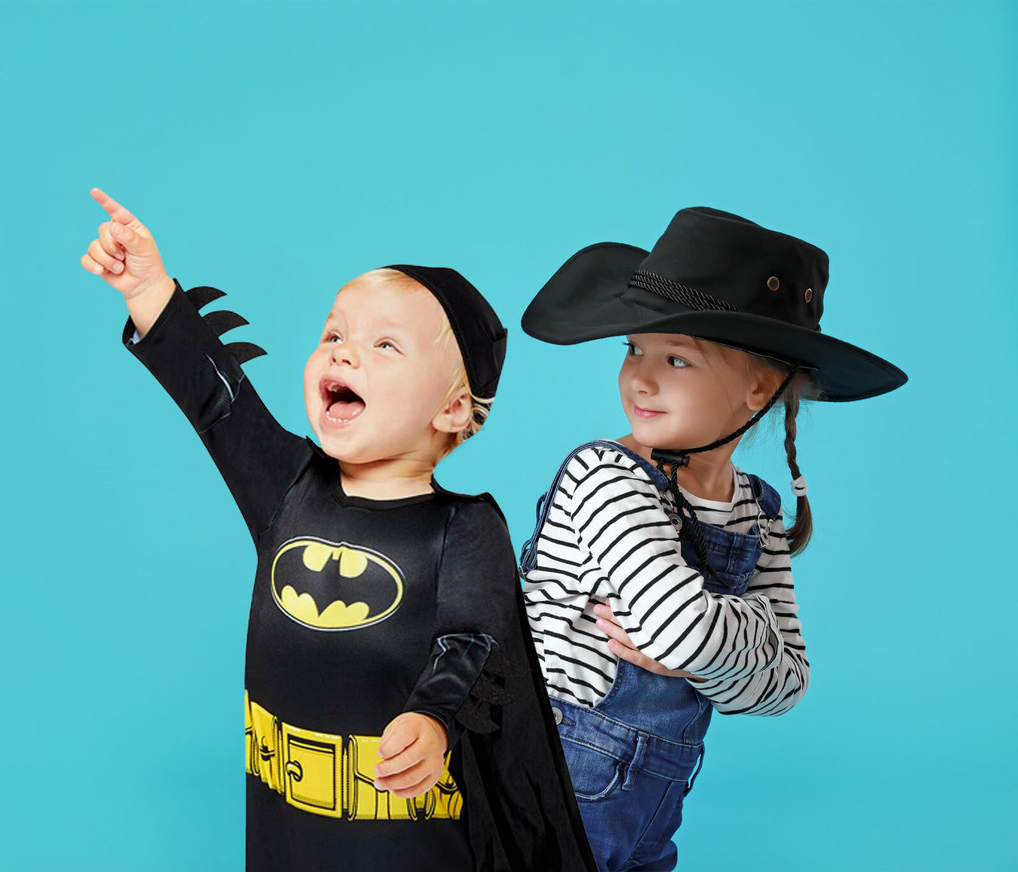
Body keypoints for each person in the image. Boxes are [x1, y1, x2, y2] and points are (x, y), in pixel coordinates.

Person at [80, 188, 598, 871]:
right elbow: (218, 402)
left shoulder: (465, 528)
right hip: (287, 839)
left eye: (385, 344)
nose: (345, 353)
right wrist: (149, 289)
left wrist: (432, 716)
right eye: (333, 335)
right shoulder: (288, 489)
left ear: (451, 407)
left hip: (409, 845)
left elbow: (471, 639)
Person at [517, 207, 907, 872]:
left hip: (651, 807)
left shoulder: (756, 510)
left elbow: (785, 687)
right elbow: (689, 638)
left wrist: (700, 652)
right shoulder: (605, 477)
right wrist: (742, 637)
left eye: (676, 358)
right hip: (559, 783)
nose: (641, 376)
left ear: (759, 386)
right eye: (633, 349)